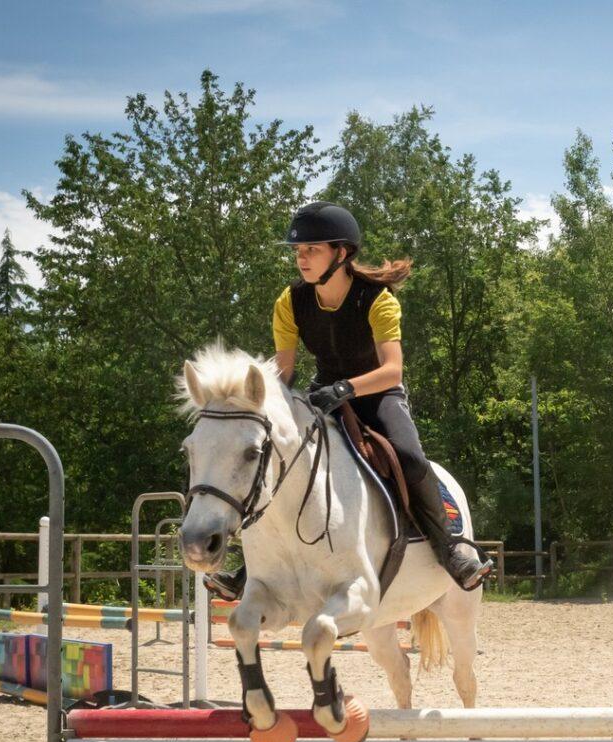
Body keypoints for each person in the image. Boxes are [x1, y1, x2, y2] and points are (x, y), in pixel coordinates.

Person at [205, 200, 492, 600]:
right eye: (298, 251)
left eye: (312, 250)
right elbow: (283, 373)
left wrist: (346, 389)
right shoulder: (289, 302)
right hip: (324, 396)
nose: (301, 259)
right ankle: (254, 567)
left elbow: (393, 370)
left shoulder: (378, 299)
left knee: (409, 457)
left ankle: (451, 549)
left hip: (377, 395)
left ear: (341, 253)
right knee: (279, 458)